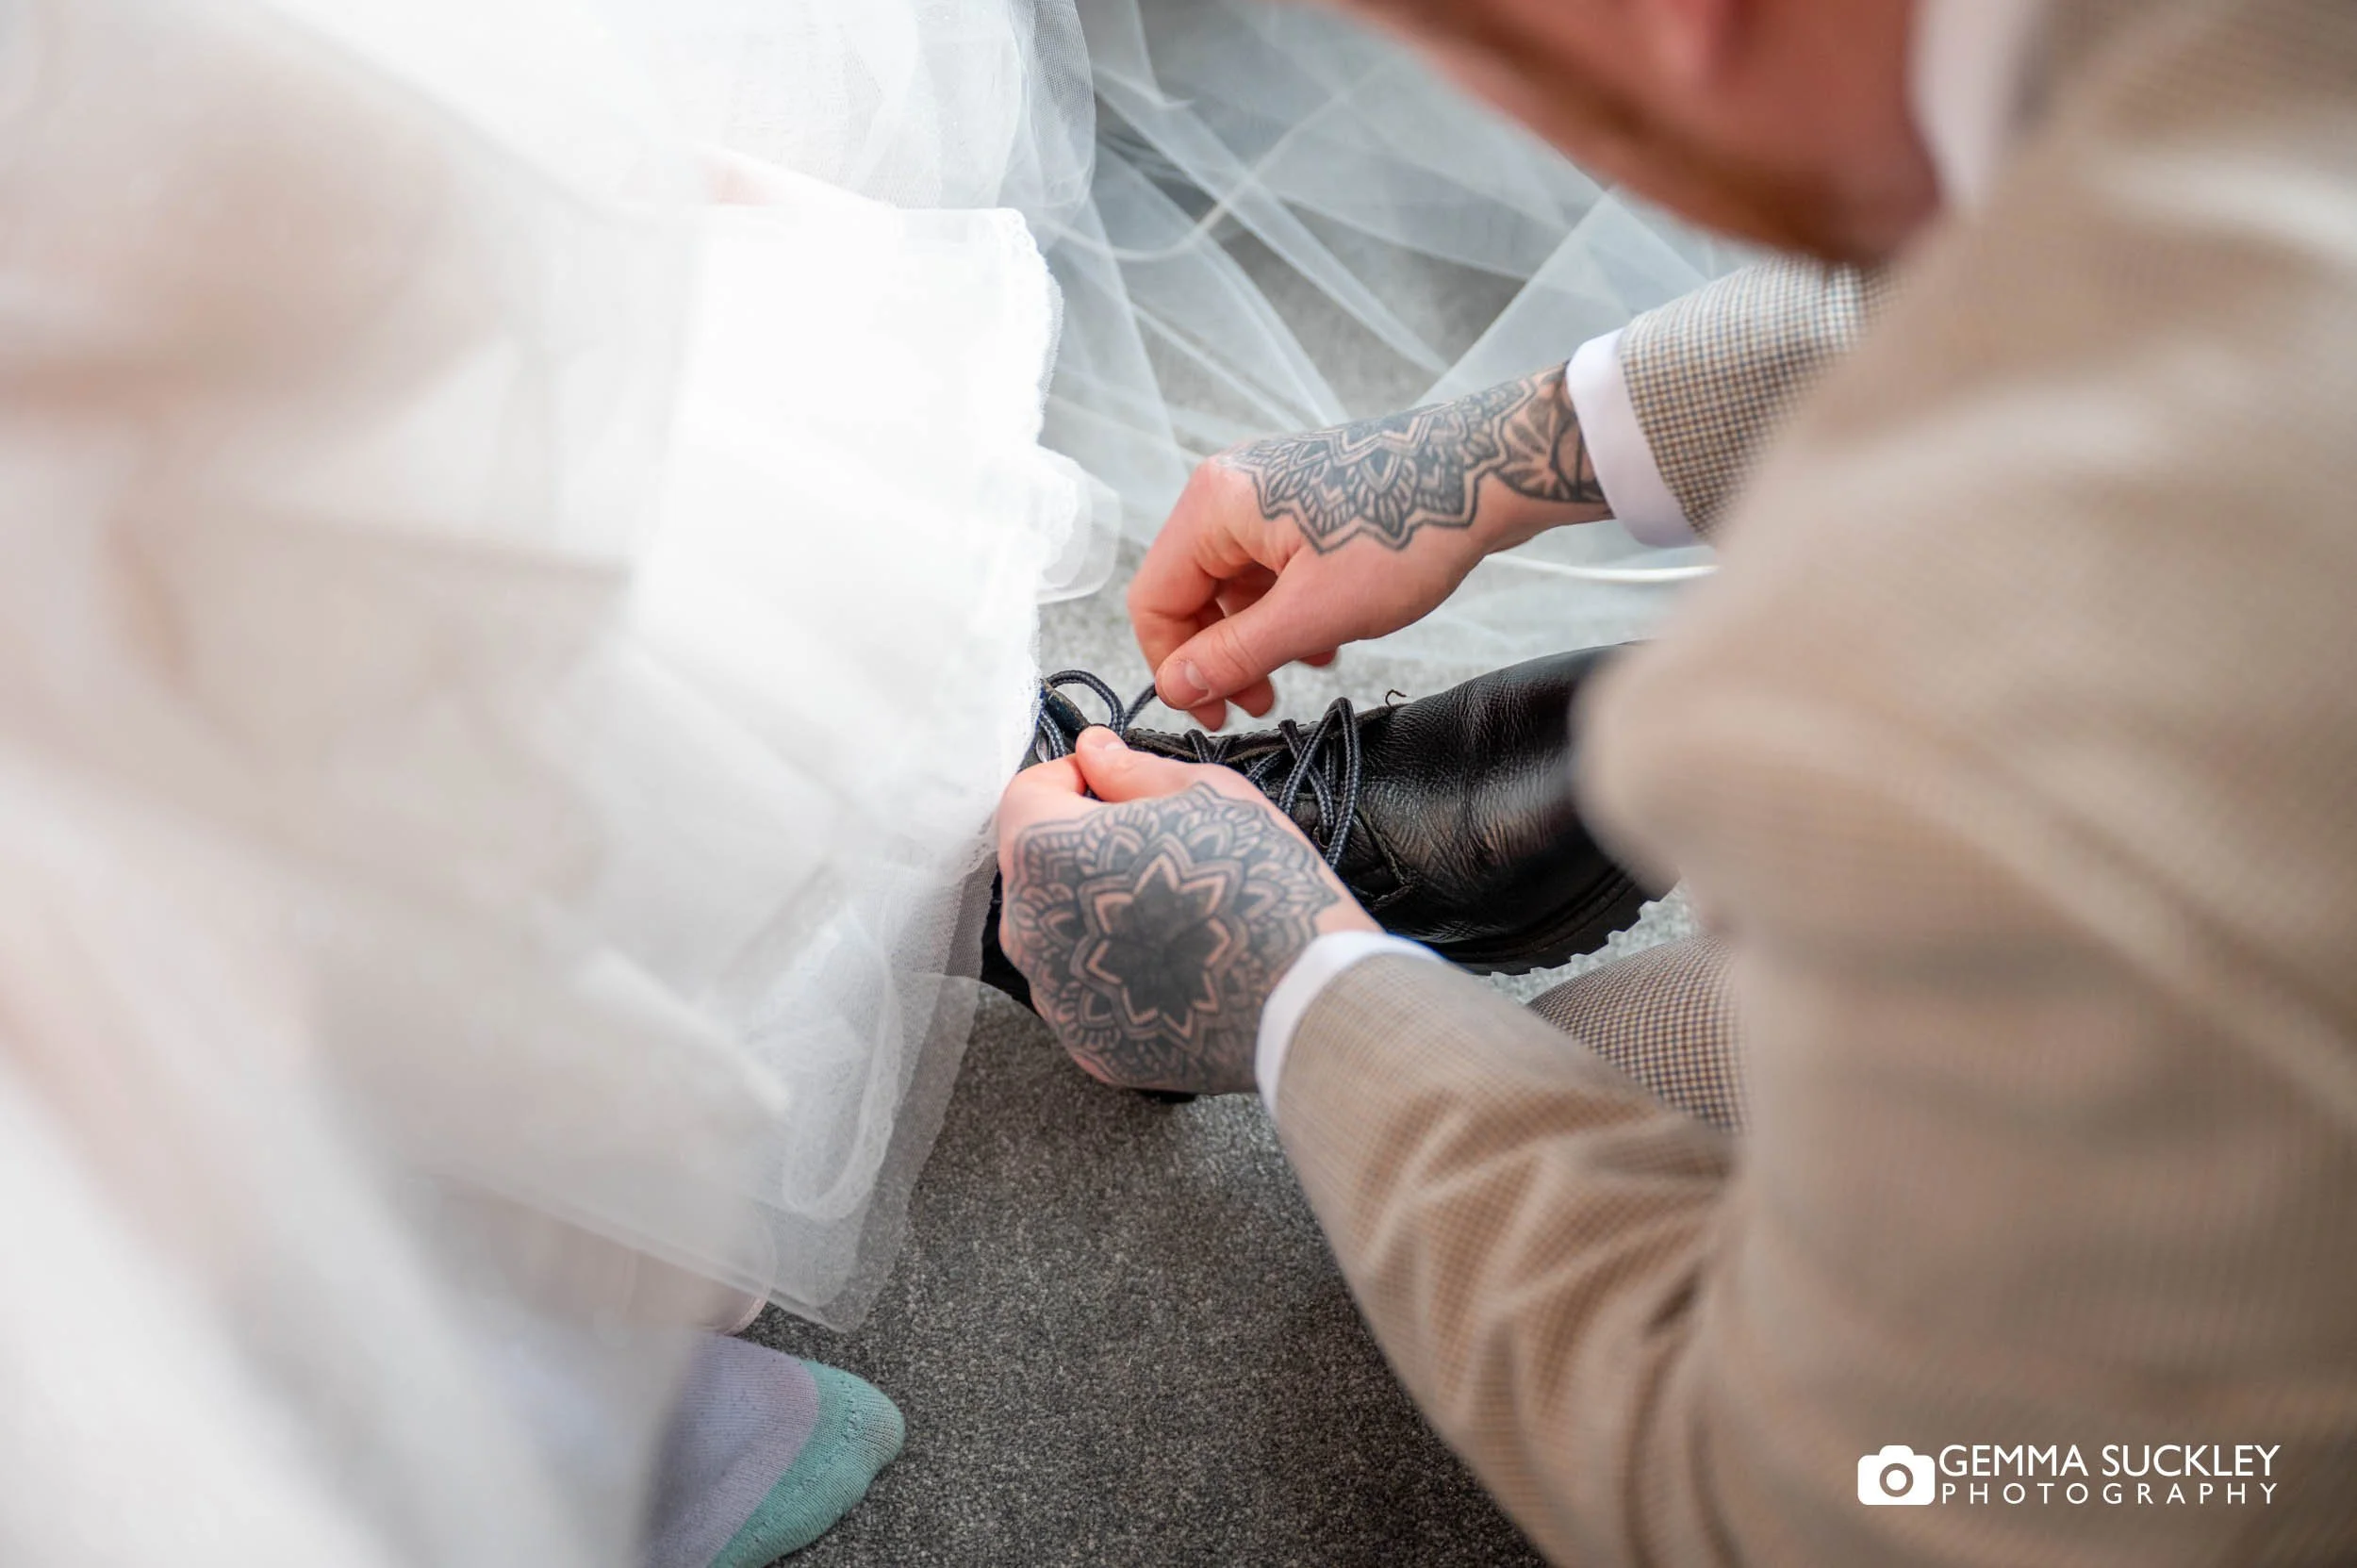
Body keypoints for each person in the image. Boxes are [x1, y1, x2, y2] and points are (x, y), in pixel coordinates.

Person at [996, 0, 2357, 1560]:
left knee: (1552, 1161)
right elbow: (2111, 233)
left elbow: (1807, 1507)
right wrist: (1500, 454)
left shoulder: (2041, 761)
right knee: (1595, 1055)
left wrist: (1298, 993)